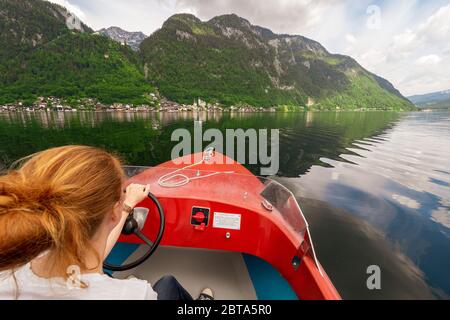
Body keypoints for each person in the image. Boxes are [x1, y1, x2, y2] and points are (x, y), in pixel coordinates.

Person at [0, 145, 214, 300]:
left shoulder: (9, 271)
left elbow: (86, 256)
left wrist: (127, 205)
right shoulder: (135, 294)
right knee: (168, 284)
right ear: (113, 212)